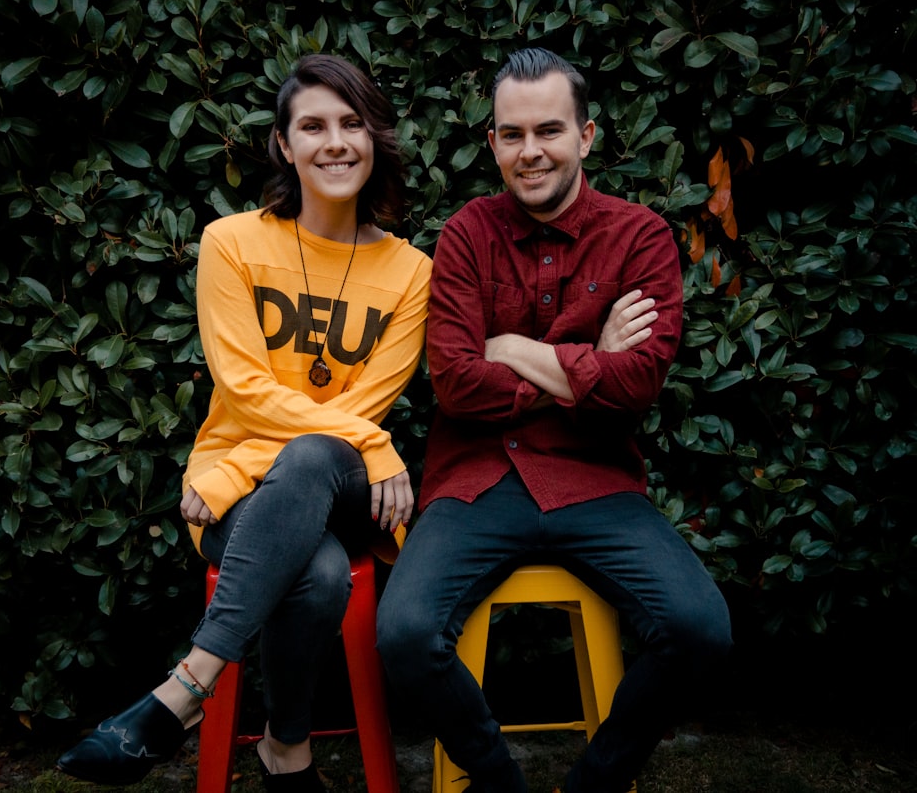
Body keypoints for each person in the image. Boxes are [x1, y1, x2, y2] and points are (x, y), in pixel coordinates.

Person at [57, 54, 432, 791]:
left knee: (325, 448)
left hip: (328, 483)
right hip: (246, 502)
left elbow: (359, 416)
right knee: (321, 575)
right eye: (313, 125)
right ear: (285, 146)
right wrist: (364, 444)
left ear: (375, 139)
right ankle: (285, 753)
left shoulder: (411, 272)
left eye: (352, 123)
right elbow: (245, 387)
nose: (335, 142)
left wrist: (234, 469)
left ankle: (184, 689)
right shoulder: (231, 243)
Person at [376, 47, 732, 793]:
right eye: (512, 135)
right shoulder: (468, 235)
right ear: (492, 143)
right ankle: (499, 784)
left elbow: (635, 388)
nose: (530, 152)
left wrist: (515, 350)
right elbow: (458, 389)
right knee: (405, 635)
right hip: (476, 479)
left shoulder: (640, 238)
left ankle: (592, 786)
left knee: (701, 630)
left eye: (548, 131)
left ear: (587, 135)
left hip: (594, 478)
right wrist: (582, 362)